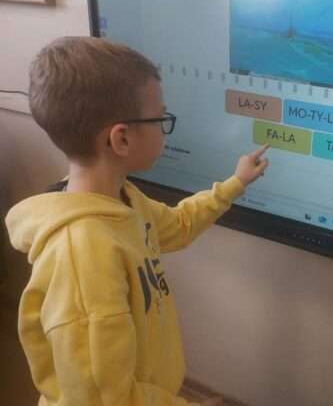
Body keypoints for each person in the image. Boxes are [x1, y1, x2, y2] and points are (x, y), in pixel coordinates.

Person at [4, 37, 269, 405]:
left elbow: (178, 225)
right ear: (122, 139)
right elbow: (105, 400)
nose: (165, 126)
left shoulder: (122, 199)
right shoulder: (83, 256)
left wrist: (234, 184)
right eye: (161, 118)